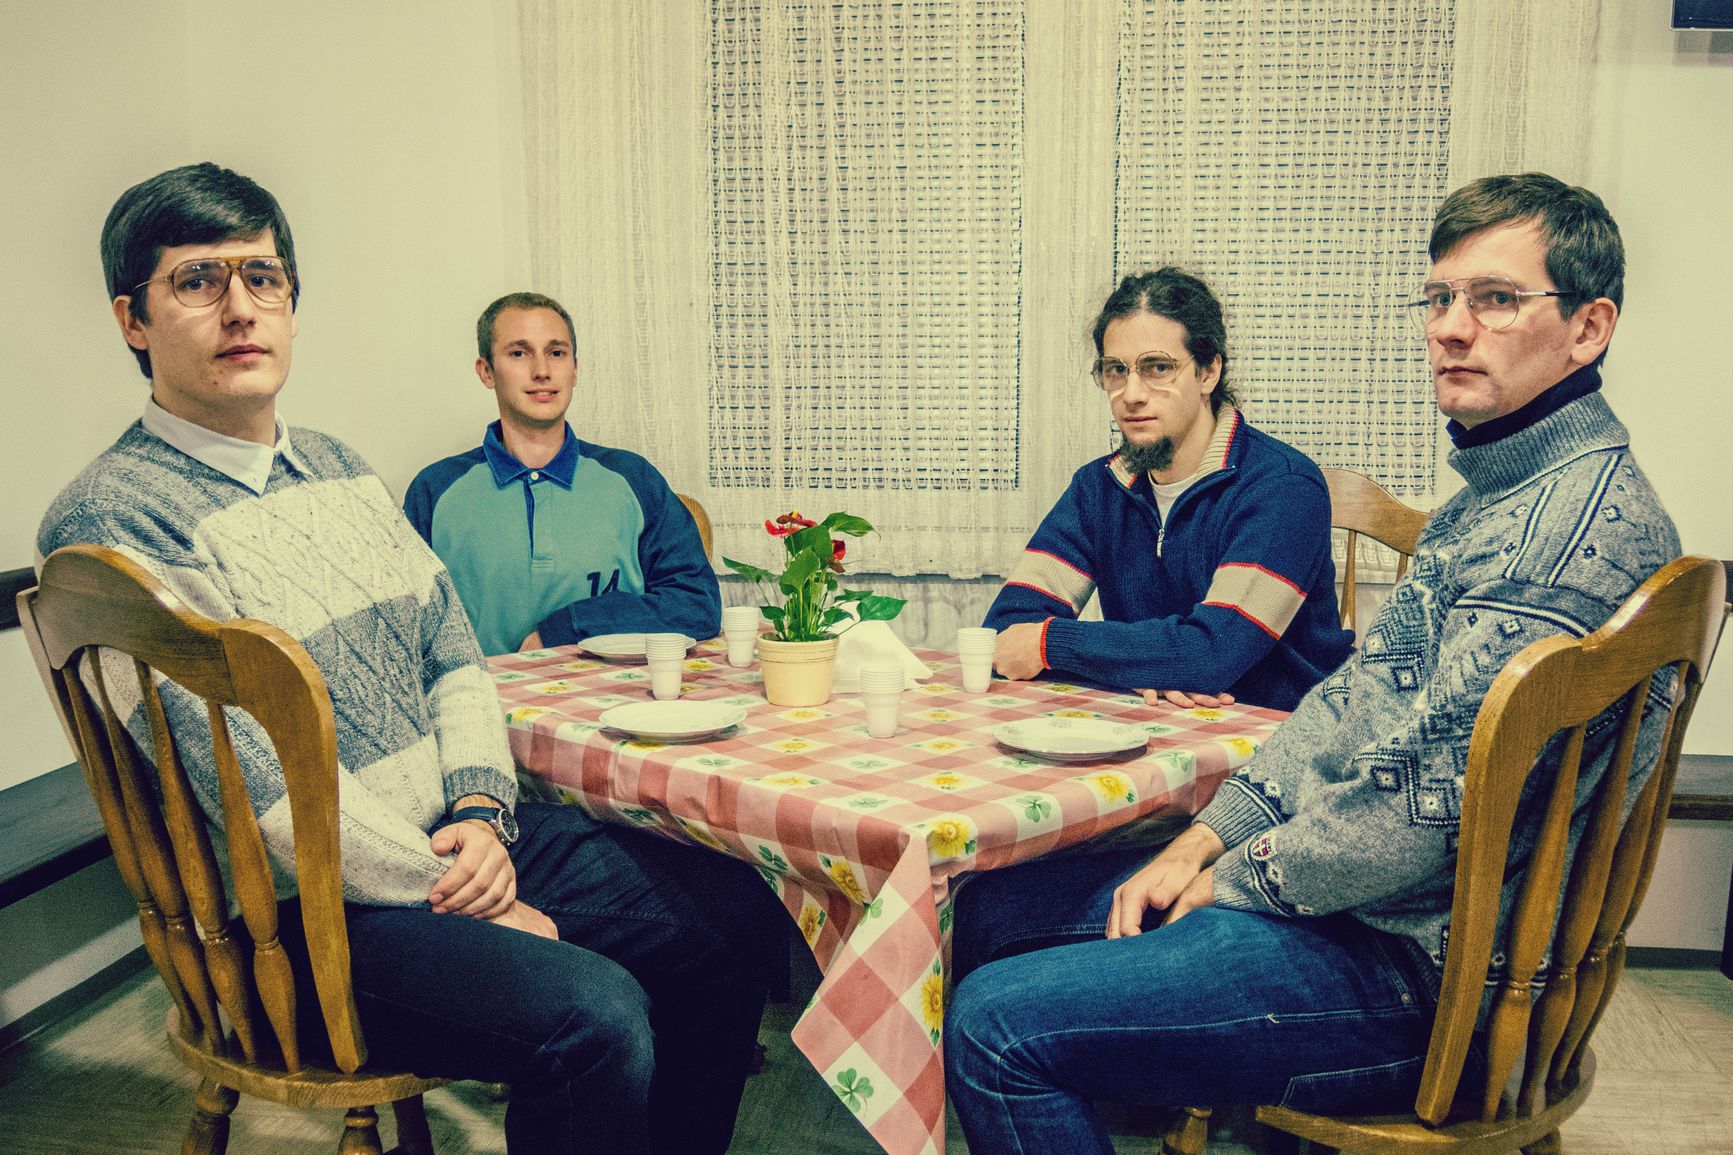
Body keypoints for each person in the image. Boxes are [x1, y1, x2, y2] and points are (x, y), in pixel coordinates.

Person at [38, 162, 782, 1154]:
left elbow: (454, 658)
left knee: (735, 912)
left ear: (291, 304)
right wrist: (467, 898)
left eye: (262, 277)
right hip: (299, 919)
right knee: (595, 1014)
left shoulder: (339, 469)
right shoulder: (111, 519)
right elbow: (254, 793)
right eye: (197, 280)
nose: (239, 307)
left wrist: (480, 812)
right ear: (133, 319)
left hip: (451, 842)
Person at [943, 173, 1680, 1152]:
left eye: (1495, 299)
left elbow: (1416, 816)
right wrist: (1206, 838)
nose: (1449, 328)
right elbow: (1352, 699)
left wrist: (1235, 875)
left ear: (1587, 328)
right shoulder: (1498, 495)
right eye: (1438, 297)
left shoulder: (1562, 534)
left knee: (993, 1026)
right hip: (1377, 912)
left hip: (1430, 972)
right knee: (991, 909)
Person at [983, 267, 1353, 711]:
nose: (1131, 394)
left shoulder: (1284, 488)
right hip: (1158, 725)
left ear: (1207, 372)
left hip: (1287, 730)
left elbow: (1211, 656)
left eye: (1157, 367)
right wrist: (1154, 666)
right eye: (1116, 370)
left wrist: (1054, 644)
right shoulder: (1099, 488)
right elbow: (1005, 632)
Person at [403, 291, 720, 655]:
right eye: (519, 353)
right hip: (485, 692)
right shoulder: (435, 490)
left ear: (575, 369)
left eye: (556, 353)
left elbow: (697, 604)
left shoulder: (633, 478)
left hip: (615, 691)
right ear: (486, 371)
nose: (542, 371)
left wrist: (570, 625)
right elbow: (402, 631)